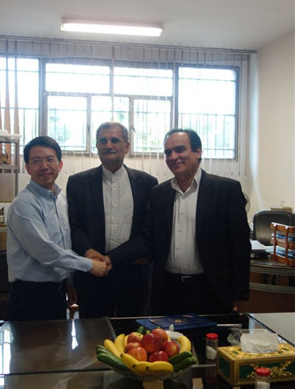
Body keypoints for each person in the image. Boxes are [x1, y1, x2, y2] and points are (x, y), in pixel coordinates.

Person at [145, 128, 251, 315]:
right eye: (168, 152)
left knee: (212, 335)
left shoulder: (226, 190)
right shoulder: (158, 193)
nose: (173, 157)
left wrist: (240, 293)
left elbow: (240, 246)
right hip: (168, 291)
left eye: (180, 149)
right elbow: (148, 237)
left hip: (211, 290)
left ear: (198, 152)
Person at [5, 136, 109, 321]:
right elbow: (46, 252)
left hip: (57, 292)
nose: (44, 166)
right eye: (36, 161)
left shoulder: (62, 200)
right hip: (29, 295)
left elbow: (65, 244)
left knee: (56, 340)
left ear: (59, 164)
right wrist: (90, 265)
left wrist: (69, 281)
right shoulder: (23, 205)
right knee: (31, 341)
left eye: (49, 159)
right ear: (27, 167)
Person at [66, 122, 157, 318]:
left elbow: (148, 231)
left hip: (134, 273)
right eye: (103, 141)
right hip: (92, 275)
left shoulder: (147, 183)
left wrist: (111, 259)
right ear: (96, 146)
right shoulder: (77, 183)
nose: (108, 145)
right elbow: (74, 226)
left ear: (127, 146)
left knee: (133, 331)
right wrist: (89, 252)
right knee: (93, 332)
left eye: (115, 140)